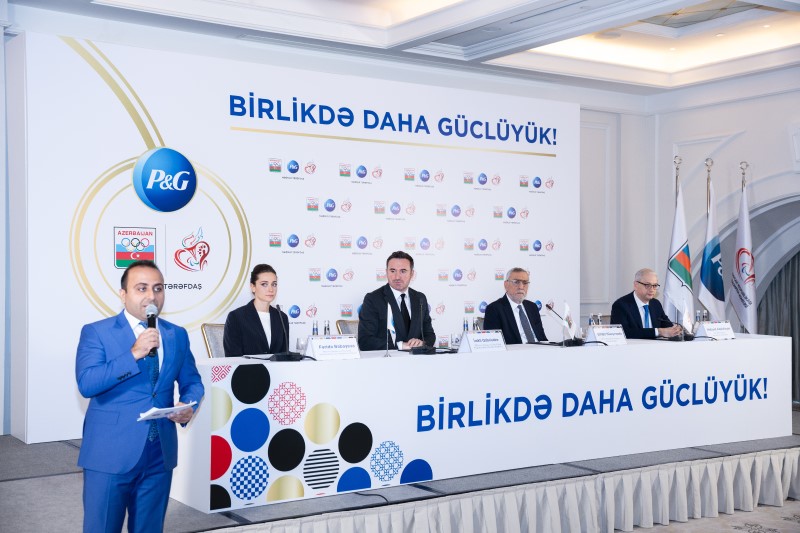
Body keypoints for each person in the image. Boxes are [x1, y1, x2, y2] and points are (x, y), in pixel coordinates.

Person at [75, 260, 204, 533]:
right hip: (110, 453)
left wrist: (188, 405)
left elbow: (192, 381)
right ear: (123, 294)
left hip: (159, 454)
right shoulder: (97, 332)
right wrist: (133, 353)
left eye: (158, 288)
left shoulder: (177, 335)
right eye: (141, 288)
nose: (151, 296)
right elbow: (87, 384)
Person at [358, 251, 435, 351]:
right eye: (393, 271)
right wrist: (400, 345)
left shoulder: (420, 298)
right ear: (386, 272)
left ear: (412, 274)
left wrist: (422, 342)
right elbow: (365, 341)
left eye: (403, 271)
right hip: (387, 360)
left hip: (416, 359)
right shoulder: (373, 299)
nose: (397, 277)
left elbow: (429, 335)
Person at [223, 264, 290, 357]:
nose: (271, 289)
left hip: (277, 367)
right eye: (264, 284)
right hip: (247, 367)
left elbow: (284, 355)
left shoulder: (282, 317)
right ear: (253, 287)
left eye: (274, 284)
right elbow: (232, 356)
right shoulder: (236, 317)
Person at [611, 268, 683, 339]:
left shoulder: (656, 304)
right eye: (647, 285)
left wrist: (675, 330)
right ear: (636, 285)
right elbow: (623, 332)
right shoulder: (621, 305)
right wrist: (658, 331)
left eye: (655, 285)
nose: (652, 289)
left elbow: (667, 325)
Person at [483, 267, 548, 344]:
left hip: (539, 349)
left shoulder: (532, 307)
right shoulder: (494, 309)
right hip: (515, 350)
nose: (521, 287)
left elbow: (542, 337)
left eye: (525, 283)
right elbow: (494, 344)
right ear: (506, 285)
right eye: (516, 282)